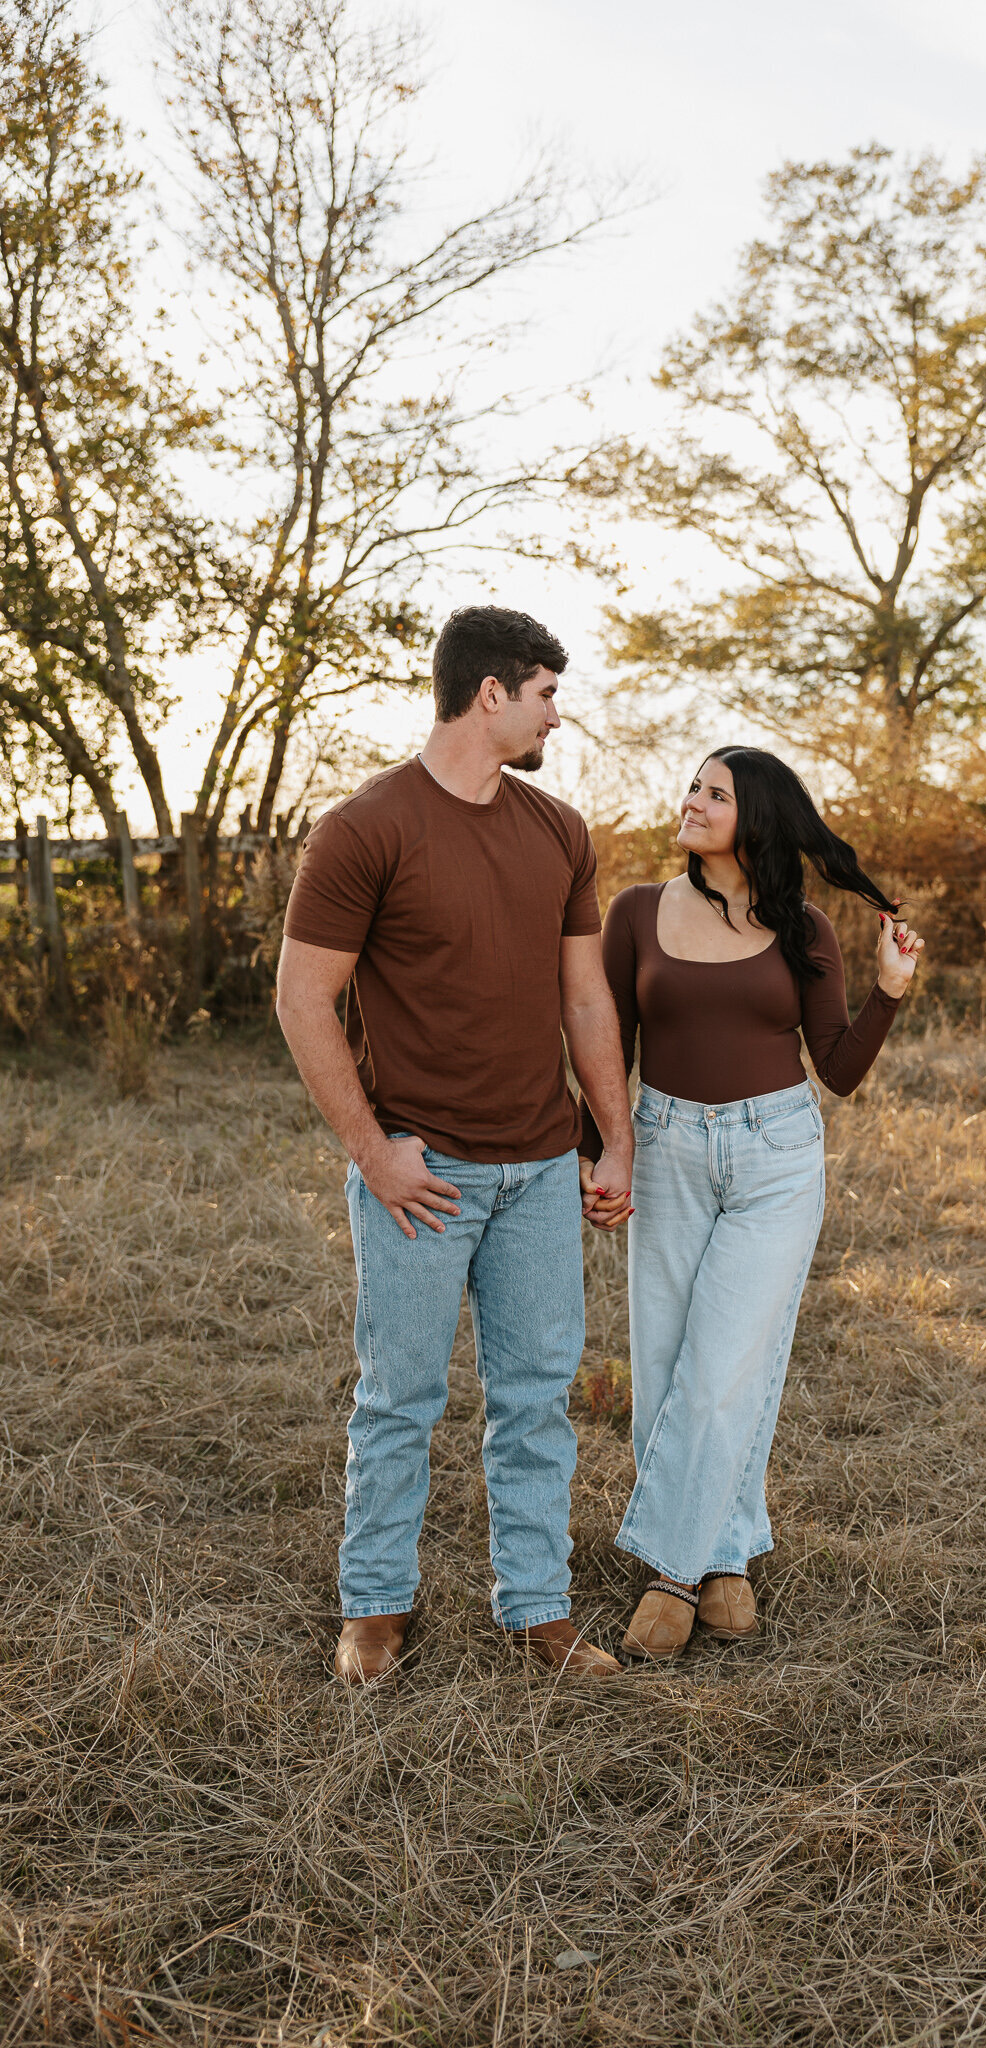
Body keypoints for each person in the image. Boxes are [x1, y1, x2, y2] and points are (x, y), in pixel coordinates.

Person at [276, 605, 633, 1685]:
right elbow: (303, 999)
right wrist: (374, 1152)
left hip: (538, 1170)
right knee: (399, 1397)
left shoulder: (560, 830)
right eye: (544, 694)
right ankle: (375, 1604)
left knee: (536, 1396)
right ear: (492, 692)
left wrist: (611, 1138)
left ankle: (536, 1608)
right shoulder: (365, 827)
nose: (554, 717)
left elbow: (584, 994)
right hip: (422, 1175)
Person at [579, 746, 923, 1659]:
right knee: (665, 1363)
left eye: (714, 793)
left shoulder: (803, 928)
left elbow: (838, 1071)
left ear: (755, 818)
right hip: (664, 1151)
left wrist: (888, 994)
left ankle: (671, 1574)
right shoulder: (638, 913)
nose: (691, 802)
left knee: (726, 1360)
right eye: (692, 786)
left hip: (776, 1157)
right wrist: (599, 1150)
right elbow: (604, 1042)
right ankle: (726, 1554)